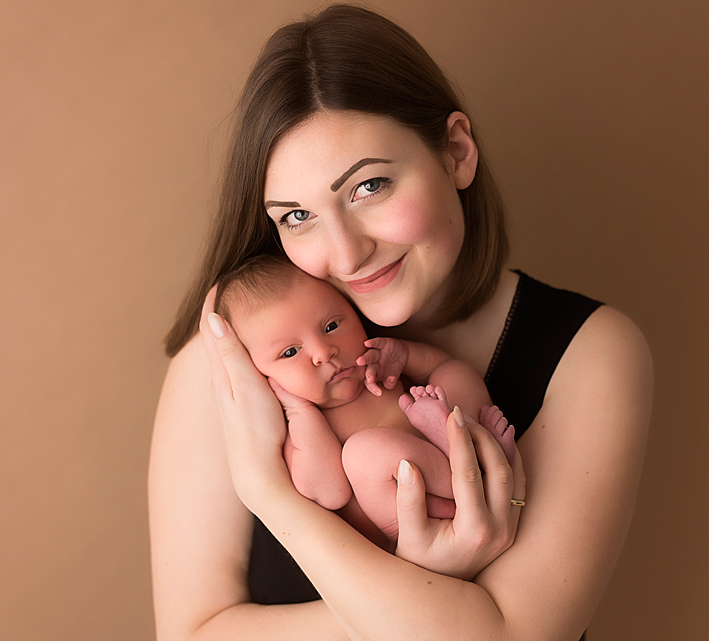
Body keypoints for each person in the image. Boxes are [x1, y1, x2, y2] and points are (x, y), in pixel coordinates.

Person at [149, 5, 652, 641]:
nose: (346, 252)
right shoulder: (231, 354)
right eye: (297, 216)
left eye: (368, 188)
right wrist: (272, 495)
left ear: (457, 152)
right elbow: (191, 634)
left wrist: (422, 608)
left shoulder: (593, 354)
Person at [214, 254, 517, 547]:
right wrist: (300, 412)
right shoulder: (300, 423)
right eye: (290, 352)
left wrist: (406, 356)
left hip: (466, 481)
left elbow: (437, 366)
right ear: (260, 375)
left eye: (332, 326)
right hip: (411, 527)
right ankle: (473, 466)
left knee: (454, 371)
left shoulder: (378, 364)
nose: (324, 352)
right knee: (363, 453)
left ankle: (475, 444)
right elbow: (331, 493)